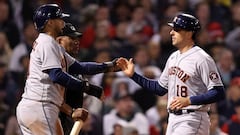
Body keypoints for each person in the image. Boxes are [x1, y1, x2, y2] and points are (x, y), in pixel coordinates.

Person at [16, 4, 119, 135]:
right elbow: (56, 75)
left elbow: (80, 67)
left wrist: (109, 66)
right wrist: (87, 87)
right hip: (40, 106)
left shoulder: (52, 45)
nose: (63, 22)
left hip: (37, 107)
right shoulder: (47, 43)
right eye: (59, 19)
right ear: (50, 23)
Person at [117, 13, 225, 135]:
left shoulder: (202, 58)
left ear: (189, 33)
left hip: (192, 118)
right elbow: (160, 88)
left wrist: (189, 100)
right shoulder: (173, 57)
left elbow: (218, 92)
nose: (171, 32)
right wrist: (133, 75)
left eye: (177, 29)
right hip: (173, 119)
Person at [57, 23, 104, 135]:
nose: (76, 41)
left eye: (77, 38)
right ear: (59, 41)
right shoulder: (54, 65)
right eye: (72, 38)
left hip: (71, 123)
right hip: (56, 120)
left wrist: (110, 66)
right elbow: (54, 98)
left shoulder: (72, 65)